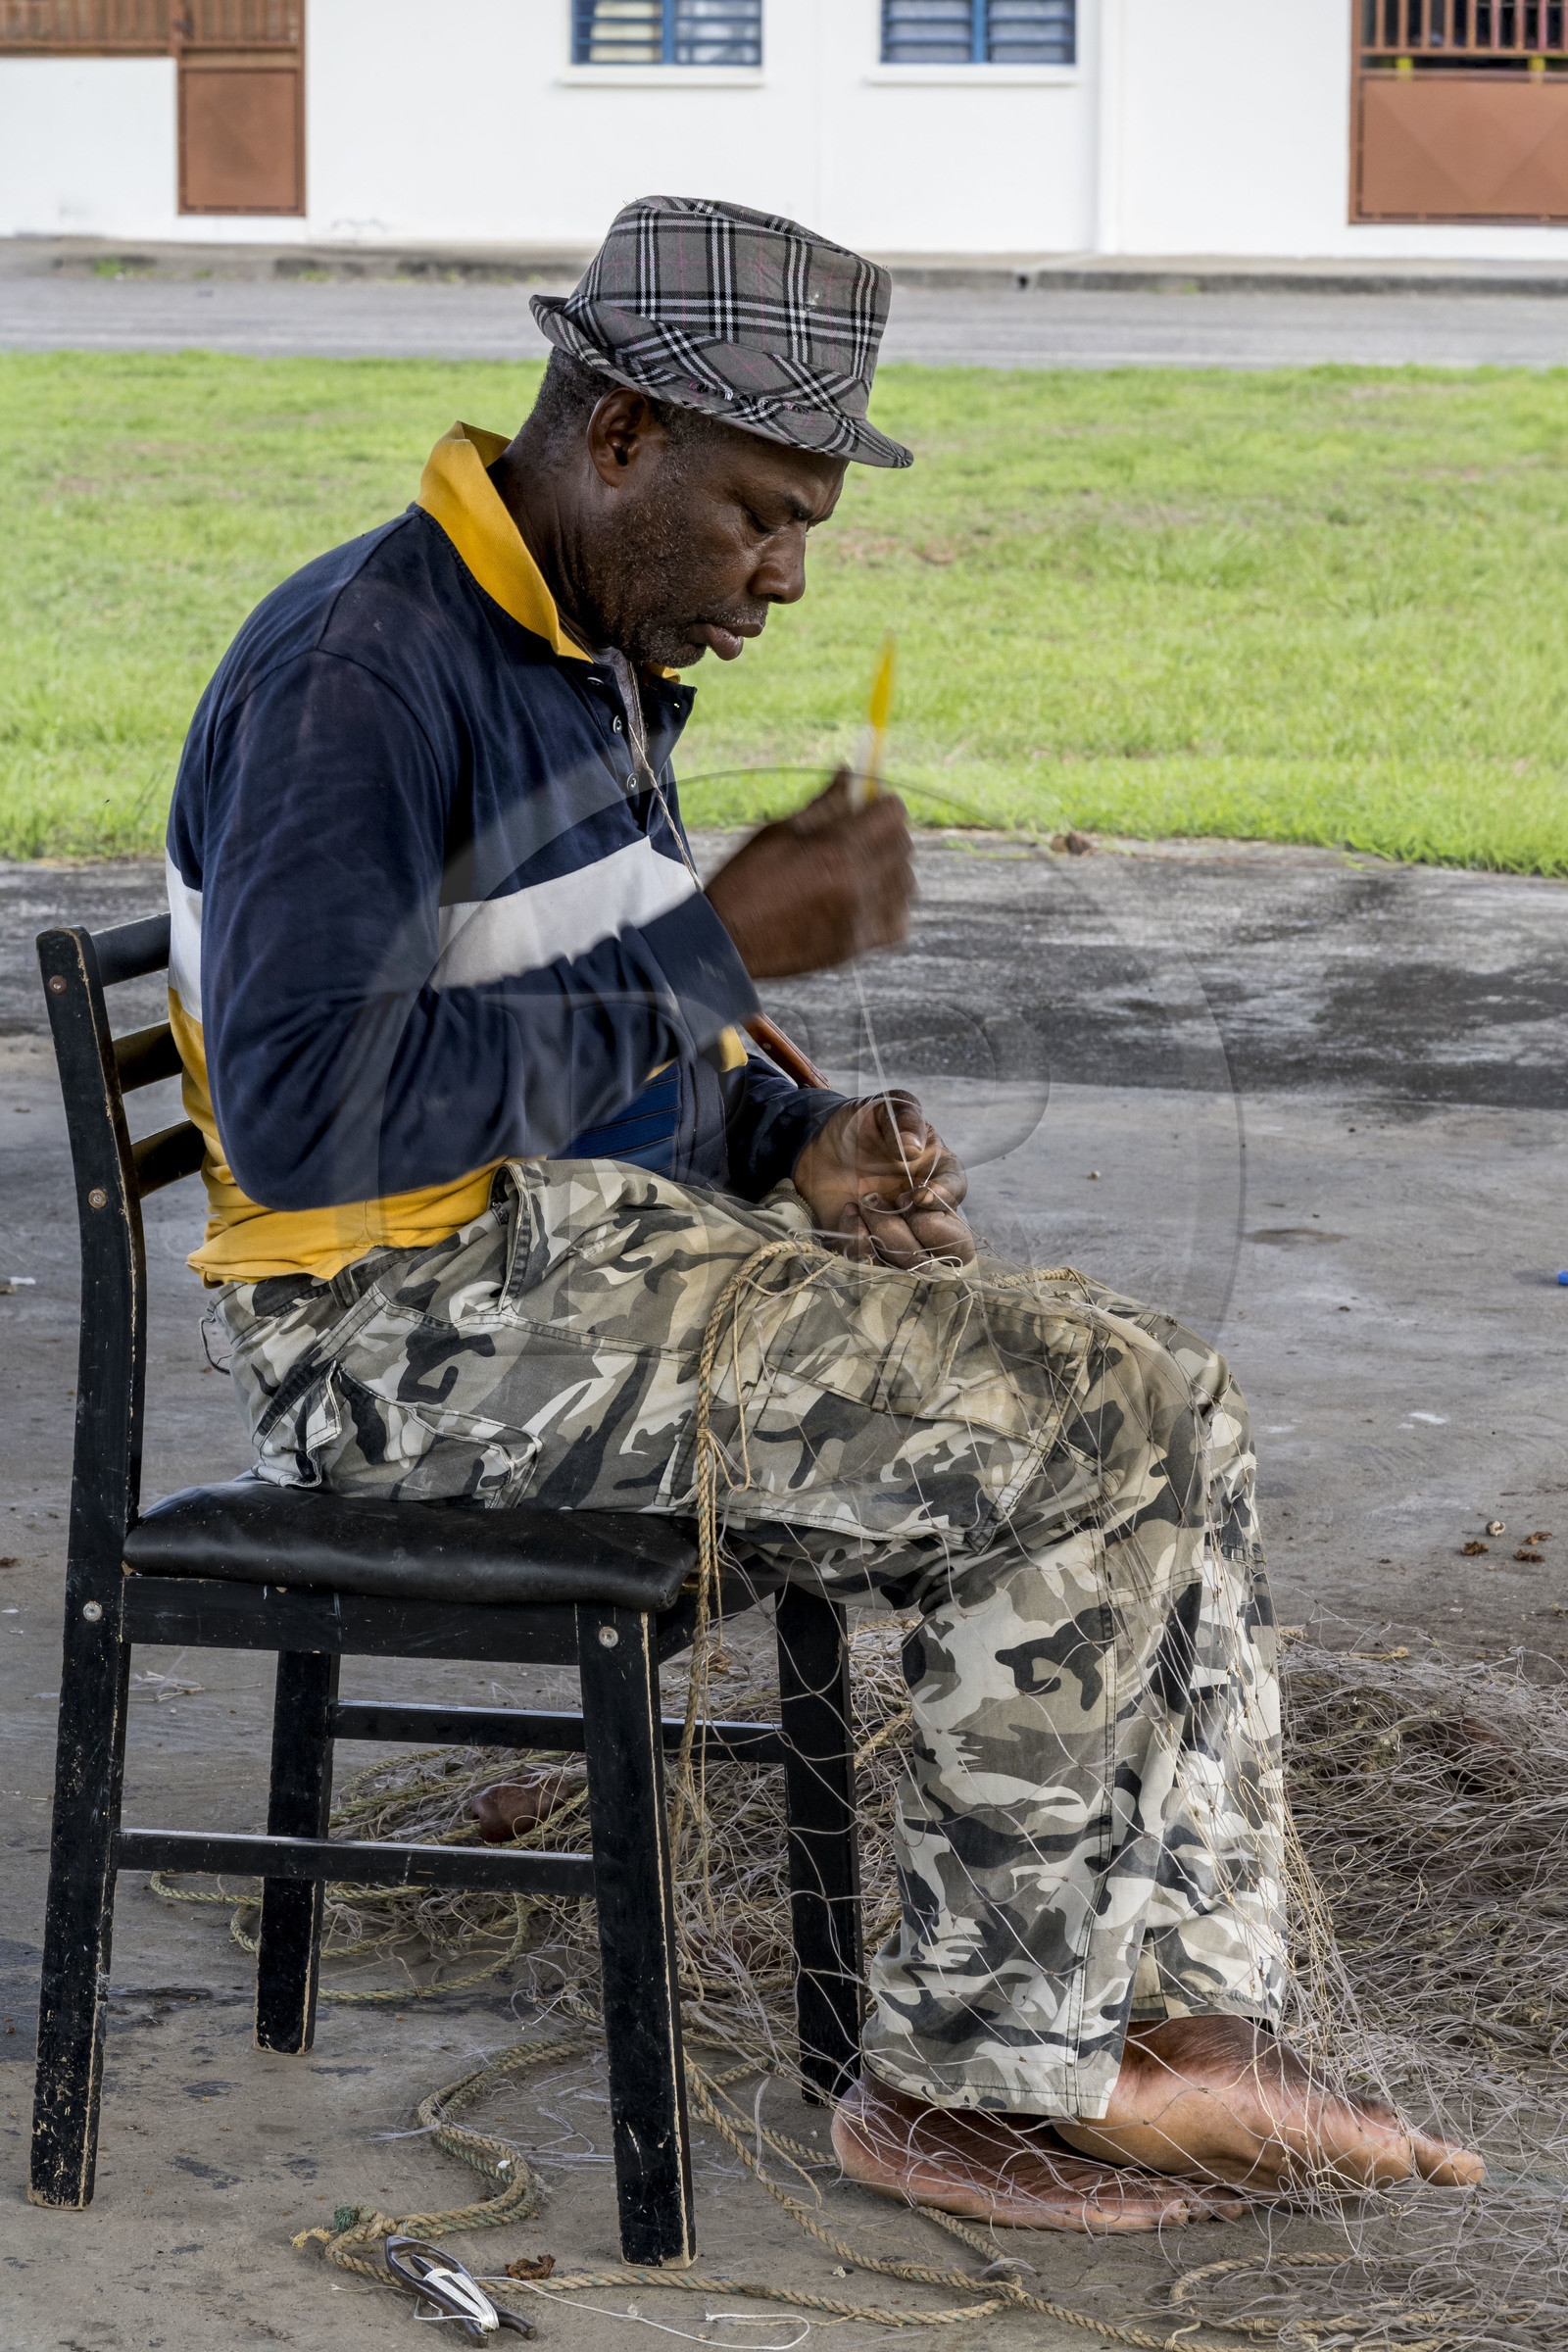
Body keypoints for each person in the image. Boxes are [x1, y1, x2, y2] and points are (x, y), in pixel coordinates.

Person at [165, 195, 1481, 2230]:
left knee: (1164, 1393)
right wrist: (717, 944)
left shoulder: (579, 651)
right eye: (761, 518)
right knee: (1065, 1432)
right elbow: (307, 1109)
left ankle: (1176, 2025)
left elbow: (569, 1041)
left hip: (563, 1272)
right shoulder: (368, 670)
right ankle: (967, 2082)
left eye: (804, 532)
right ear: (618, 440)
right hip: (397, 1338)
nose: (783, 578)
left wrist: (787, 1141)